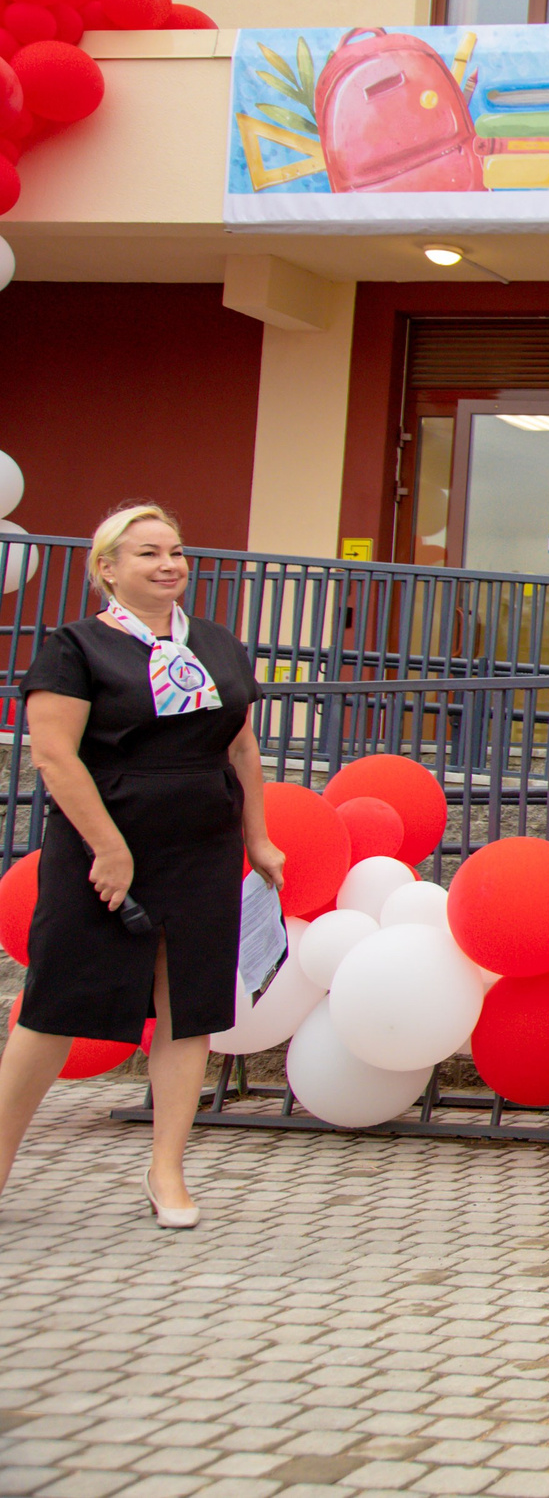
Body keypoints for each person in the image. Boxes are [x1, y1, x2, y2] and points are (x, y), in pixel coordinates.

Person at [0, 504, 286, 1226]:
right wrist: (110, 847)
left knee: (187, 1007)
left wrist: (257, 837)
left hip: (200, 844)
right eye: (148, 552)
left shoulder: (218, 646)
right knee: (55, 1002)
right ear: (108, 569)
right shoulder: (74, 647)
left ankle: (167, 1172)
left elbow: (242, 748)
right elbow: (55, 756)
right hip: (103, 843)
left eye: (177, 551)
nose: (168, 564)